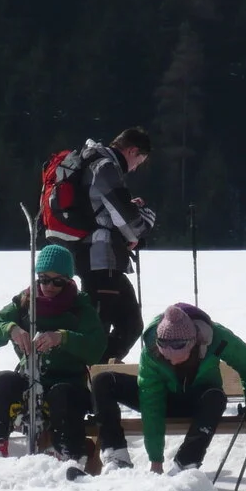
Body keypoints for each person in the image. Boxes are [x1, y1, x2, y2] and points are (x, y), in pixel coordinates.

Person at [90, 303, 246, 473]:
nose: (173, 362)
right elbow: (151, 402)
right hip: (165, 400)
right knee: (103, 381)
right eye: (167, 358)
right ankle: (116, 456)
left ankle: (185, 464)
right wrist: (156, 460)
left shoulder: (216, 338)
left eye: (178, 357)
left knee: (215, 396)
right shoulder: (151, 350)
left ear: (193, 345)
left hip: (199, 404)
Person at [0, 244, 107, 462]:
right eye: (44, 279)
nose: (49, 286)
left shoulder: (80, 307)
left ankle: (69, 455)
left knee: (63, 394)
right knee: (1, 382)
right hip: (30, 383)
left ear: (68, 281)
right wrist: (10, 329)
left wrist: (63, 338)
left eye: (57, 281)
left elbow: (96, 347)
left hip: (69, 386)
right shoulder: (24, 303)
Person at [45, 126, 156, 363]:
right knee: (106, 328)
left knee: (125, 324)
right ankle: (93, 379)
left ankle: (101, 374)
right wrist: (145, 218)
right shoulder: (105, 167)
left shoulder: (89, 160)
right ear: (132, 150)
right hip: (99, 259)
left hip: (91, 257)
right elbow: (127, 218)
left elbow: (101, 209)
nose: (135, 168)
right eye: (139, 161)